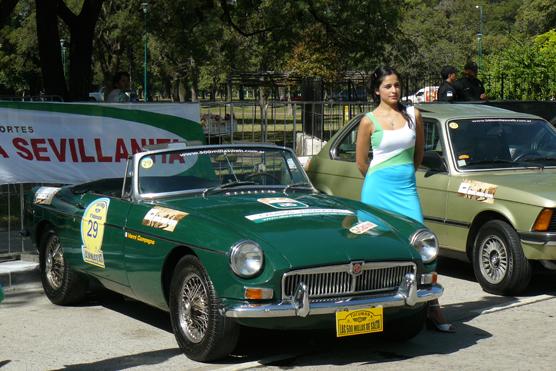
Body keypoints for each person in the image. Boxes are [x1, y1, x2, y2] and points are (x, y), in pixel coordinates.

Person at [355, 66, 455, 333]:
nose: (394, 90)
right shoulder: (368, 120)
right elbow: (361, 162)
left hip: (406, 188)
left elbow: (419, 154)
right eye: (388, 86)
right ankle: (373, 306)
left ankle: (432, 305)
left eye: (397, 85)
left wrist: (403, 175)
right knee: (374, 249)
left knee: (421, 245)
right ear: (377, 90)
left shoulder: (413, 114)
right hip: (376, 189)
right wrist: (379, 178)